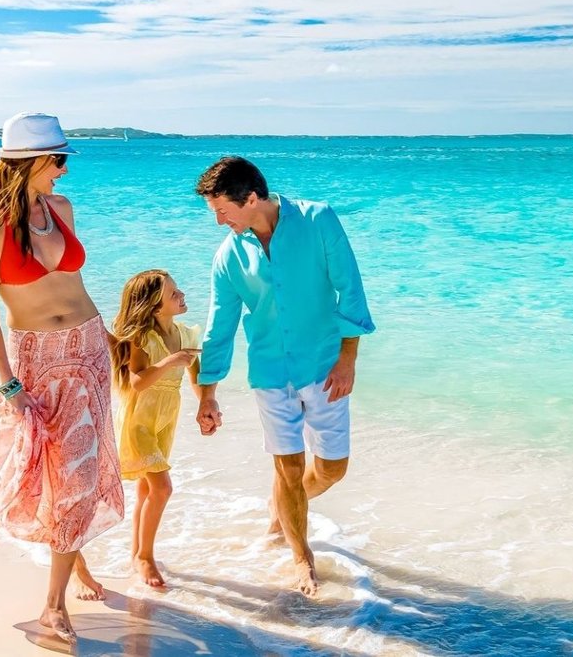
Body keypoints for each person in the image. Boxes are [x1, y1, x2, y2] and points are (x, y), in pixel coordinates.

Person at [0, 112, 124, 643]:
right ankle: (70, 572)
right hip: (36, 360)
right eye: (58, 160)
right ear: (29, 161)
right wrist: (9, 385)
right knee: (37, 474)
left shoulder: (61, 209)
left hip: (88, 352)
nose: (64, 170)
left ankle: (54, 606)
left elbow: (77, 285)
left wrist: (112, 342)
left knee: (79, 476)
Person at [192, 156, 375, 596]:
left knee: (331, 470)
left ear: (252, 198)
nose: (218, 221)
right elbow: (220, 326)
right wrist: (207, 393)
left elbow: (349, 288)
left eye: (223, 211)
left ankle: (283, 508)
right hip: (270, 372)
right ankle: (301, 558)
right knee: (289, 467)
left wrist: (348, 358)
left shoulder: (318, 220)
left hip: (324, 366)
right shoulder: (229, 256)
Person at [107, 269, 202, 590]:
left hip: (165, 421)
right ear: (155, 307)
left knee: (147, 490)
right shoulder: (143, 339)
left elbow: (196, 377)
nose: (182, 295)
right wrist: (168, 362)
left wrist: (206, 404)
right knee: (162, 488)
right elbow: (137, 381)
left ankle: (136, 552)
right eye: (173, 293)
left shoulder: (186, 334)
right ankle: (145, 556)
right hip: (140, 422)